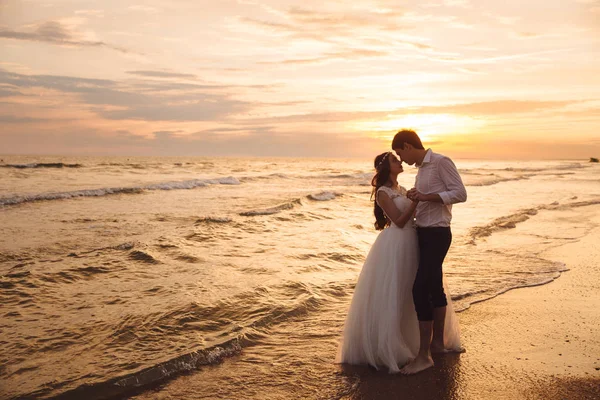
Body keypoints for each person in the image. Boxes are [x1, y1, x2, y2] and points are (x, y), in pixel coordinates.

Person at [336, 151, 461, 373]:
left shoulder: (401, 190)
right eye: (395, 160)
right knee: (397, 291)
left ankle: (426, 343)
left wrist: (422, 202)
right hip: (396, 243)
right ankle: (394, 345)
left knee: (416, 290)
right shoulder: (383, 193)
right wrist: (415, 202)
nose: (400, 161)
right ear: (386, 167)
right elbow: (400, 221)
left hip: (413, 242)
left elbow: (415, 216)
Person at [392, 129, 467, 375]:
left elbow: (460, 194)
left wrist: (425, 196)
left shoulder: (441, 162)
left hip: (437, 234)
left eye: (399, 152)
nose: (400, 159)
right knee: (434, 287)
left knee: (419, 288)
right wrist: (416, 197)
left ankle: (424, 356)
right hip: (423, 234)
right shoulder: (422, 170)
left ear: (407, 145)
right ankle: (437, 345)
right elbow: (424, 201)